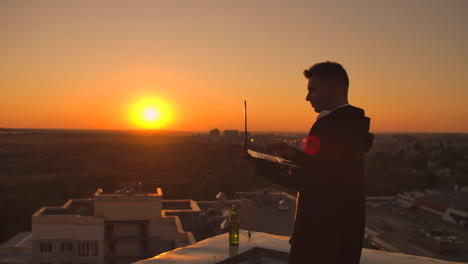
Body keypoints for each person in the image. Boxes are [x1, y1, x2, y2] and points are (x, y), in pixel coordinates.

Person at [255, 62, 374, 264]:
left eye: (313, 89)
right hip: (343, 234)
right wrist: (295, 154)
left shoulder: (329, 125)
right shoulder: (351, 124)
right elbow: (329, 168)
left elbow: (314, 180)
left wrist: (261, 164)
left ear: (334, 88)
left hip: (322, 237)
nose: (308, 97)